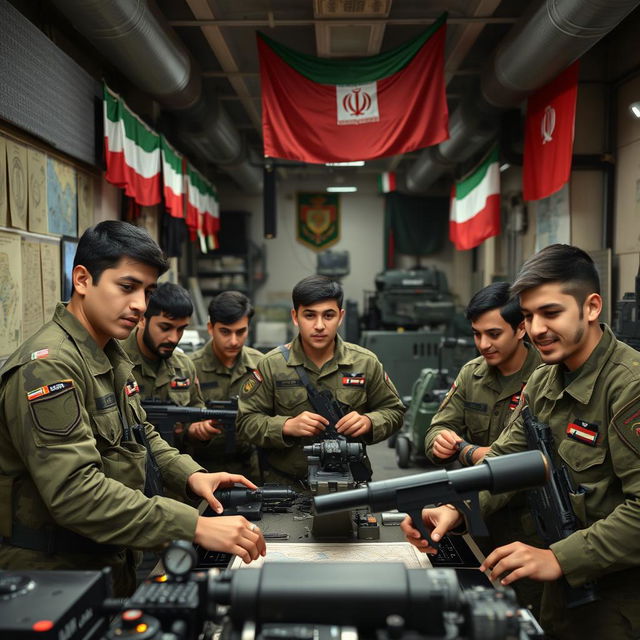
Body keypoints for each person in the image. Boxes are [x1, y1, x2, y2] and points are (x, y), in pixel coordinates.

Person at [0, 221, 265, 597]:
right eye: (127, 287)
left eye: (147, 291)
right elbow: (76, 493)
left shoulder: (107, 353)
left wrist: (191, 475)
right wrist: (194, 526)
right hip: (55, 578)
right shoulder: (50, 366)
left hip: (103, 564)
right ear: (82, 280)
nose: (140, 305)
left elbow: (141, 434)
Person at [402, 244, 640, 639]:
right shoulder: (545, 380)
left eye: (551, 313)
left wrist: (559, 558)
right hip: (560, 594)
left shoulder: (628, 387)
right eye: (528, 316)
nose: (537, 329)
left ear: (592, 307)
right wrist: (453, 509)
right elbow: (503, 462)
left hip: (618, 605)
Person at [423, 282, 543, 616]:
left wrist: (465, 451)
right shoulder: (472, 374)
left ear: (521, 328)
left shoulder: (544, 377)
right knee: (476, 610)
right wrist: (448, 443)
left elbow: (520, 459)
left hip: (531, 529)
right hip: (475, 519)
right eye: (476, 334)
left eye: (493, 334)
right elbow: (435, 431)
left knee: (531, 614)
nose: (483, 345)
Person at [236, 275, 405, 486]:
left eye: (328, 315)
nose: (319, 325)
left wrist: (369, 422)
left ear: (340, 317)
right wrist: (286, 425)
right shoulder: (272, 365)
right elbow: (245, 423)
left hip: (351, 485)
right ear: (295, 317)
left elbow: (395, 411)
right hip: (287, 488)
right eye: (309, 315)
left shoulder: (364, 363)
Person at [120, 282, 217, 441]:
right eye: (165, 327)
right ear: (142, 320)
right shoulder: (115, 360)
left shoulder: (184, 367)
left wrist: (196, 429)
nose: (174, 338)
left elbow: (196, 411)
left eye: (181, 329)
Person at [188, 291, 262, 480]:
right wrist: (193, 429)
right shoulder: (188, 367)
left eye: (241, 332)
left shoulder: (261, 367)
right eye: (225, 332)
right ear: (210, 328)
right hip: (200, 472)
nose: (234, 341)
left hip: (250, 472)